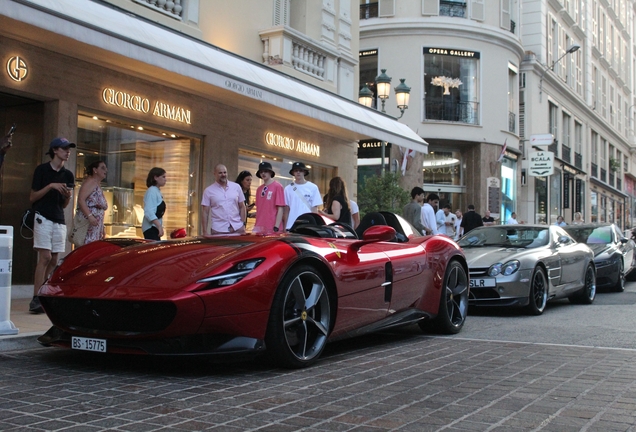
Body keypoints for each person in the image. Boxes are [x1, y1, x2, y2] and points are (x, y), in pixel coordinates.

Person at [29, 137, 76, 313]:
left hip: (59, 218)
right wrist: (51, 186)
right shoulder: (42, 170)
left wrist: (68, 196)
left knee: (55, 259)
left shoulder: (68, 174)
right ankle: (36, 297)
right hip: (43, 216)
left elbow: (64, 205)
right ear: (55, 150)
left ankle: (45, 292)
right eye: (64, 149)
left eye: (68, 149)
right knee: (45, 257)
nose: (67, 152)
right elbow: (32, 197)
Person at [202, 164, 246, 234]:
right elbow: (205, 212)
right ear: (214, 174)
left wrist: (243, 224)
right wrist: (204, 232)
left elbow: (242, 207)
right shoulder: (208, 191)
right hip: (219, 230)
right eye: (220, 173)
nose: (223, 174)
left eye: (225, 172)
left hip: (237, 228)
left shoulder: (236, 187)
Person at [76, 161, 108, 244]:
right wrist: (89, 215)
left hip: (96, 224)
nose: (106, 170)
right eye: (102, 168)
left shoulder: (97, 184)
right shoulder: (90, 182)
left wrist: (102, 227)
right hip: (88, 224)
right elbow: (81, 199)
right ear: (95, 170)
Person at [284, 161, 322, 230]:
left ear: (304, 172)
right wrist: (284, 227)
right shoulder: (287, 189)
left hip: (308, 225)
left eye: (300, 170)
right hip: (291, 225)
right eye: (296, 170)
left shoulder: (313, 187)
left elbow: (314, 209)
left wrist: (315, 226)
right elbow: (286, 210)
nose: (298, 172)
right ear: (293, 173)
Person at [253, 162, 285, 234]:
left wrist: (276, 226)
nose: (263, 173)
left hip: (272, 226)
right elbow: (259, 209)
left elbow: (280, 208)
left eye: (266, 171)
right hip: (259, 226)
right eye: (261, 172)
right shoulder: (259, 189)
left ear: (270, 172)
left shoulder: (278, 186)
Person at [143, 167, 167, 240]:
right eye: (163, 177)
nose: (165, 179)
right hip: (151, 228)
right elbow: (149, 211)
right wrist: (159, 226)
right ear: (156, 177)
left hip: (154, 227)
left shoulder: (157, 191)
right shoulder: (152, 191)